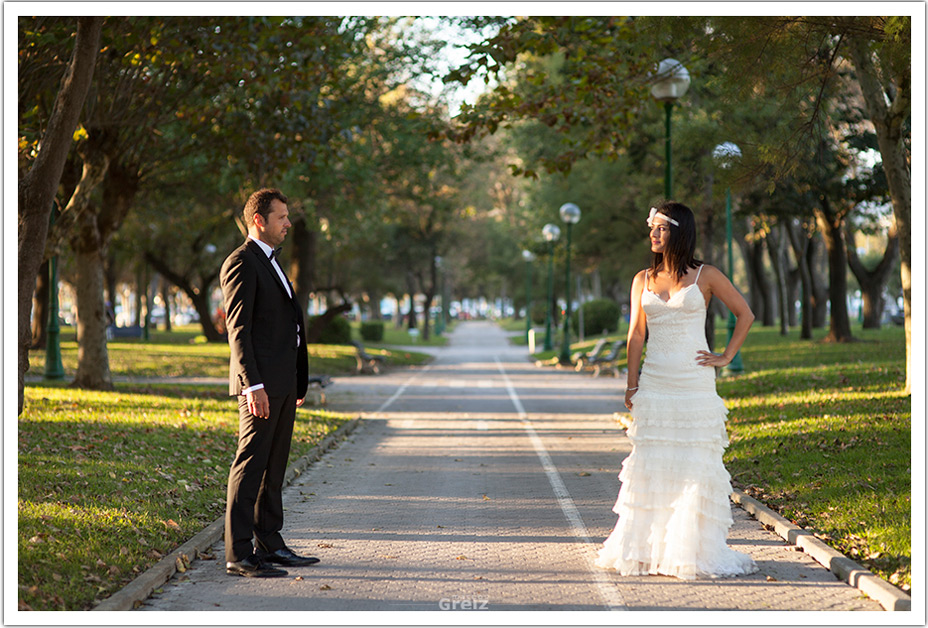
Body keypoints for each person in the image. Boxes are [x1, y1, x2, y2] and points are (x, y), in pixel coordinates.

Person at [595, 200, 758, 580]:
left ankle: (691, 551)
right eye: (652, 227)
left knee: (694, 467)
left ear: (679, 232)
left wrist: (726, 356)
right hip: (654, 381)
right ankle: (649, 549)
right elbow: (636, 336)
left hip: (695, 383)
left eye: (662, 228)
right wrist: (631, 384)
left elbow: (745, 314)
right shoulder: (643, 280)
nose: (653, 233)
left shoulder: (707, 276)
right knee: (653, 465)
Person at [220, 188, 318, 578]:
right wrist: (252, 385)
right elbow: (238, 329)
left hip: (282, 381)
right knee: (250, 466)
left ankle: (270, 543)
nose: (288, 223)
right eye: (281, 217)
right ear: (259, 220)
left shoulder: (272, 261)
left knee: (274, 468)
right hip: (259, 385)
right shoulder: (242, 262)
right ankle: (239, 553)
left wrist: (294, 381)